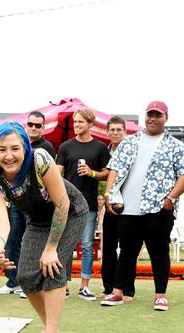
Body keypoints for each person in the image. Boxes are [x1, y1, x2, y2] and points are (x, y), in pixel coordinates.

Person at [0, 122, 87, 333]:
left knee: (52, 268)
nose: (9, 156)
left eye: (14, 148)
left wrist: (51, 249)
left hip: (70, 213)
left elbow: (62, 204)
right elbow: (0, 220)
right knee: (26, 276)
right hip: (38, 219)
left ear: (25, 148)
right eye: (2, 150)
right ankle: (51, 328)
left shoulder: (40, 159)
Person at [101, 101, 184, 311]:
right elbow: (114, 169)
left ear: (166, 118)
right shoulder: (129, 142)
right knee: (126, 252)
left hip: (158, 210)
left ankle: (160, 296)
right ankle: (117, 292)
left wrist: (170, 198)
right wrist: (108, 194)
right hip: (128, 209)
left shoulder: (175, 145)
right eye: (150, 114)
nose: (153, 118)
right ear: (145, 116)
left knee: (159, 252)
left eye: (158, 115)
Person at [0, 111, 57, 298]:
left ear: (43, 127)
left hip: (38, 204)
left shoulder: (45, 149)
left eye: (38, 125)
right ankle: (12, 281)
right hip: (16, 201)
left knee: (31, 242)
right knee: (12, 239)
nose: (34, 128)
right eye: (31, 124)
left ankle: (28, 282)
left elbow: (49, 182)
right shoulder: (13, 142)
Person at [56, 109, 110, 300]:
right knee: (66, 246)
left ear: (90, 124)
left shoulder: (100, 148)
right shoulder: (65, 147)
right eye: (75, 122)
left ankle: (85, 286)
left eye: (80, 122)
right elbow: (57, 173)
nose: (76, 125)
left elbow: (107, 173)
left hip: (89, 204)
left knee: (87, 245)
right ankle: (64, 285)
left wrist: (92, 173)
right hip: (67, 204)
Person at [99, 116, 135, 301]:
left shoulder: (133, 151)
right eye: (111, 130)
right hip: (109, 204)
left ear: (125, 132)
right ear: (107, 132)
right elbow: (102, 178)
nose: (115, 133)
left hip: (129, 206)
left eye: (118, 130)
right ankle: (108, 288)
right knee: (108, 247)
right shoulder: (104, 153)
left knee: (128, 248)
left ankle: (127, 290)